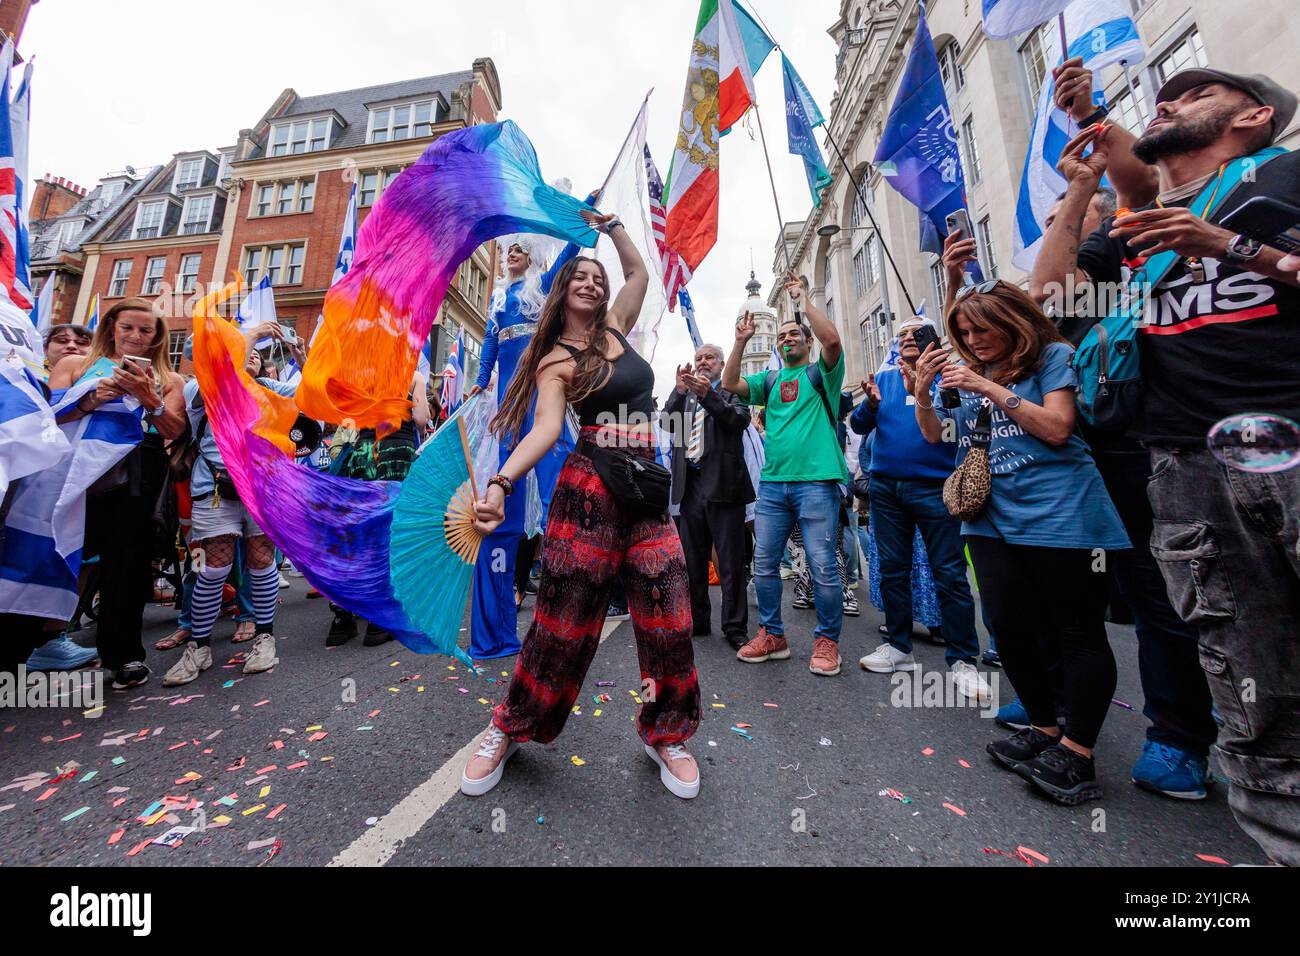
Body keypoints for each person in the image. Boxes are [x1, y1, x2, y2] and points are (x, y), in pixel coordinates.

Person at [1033, 67, 1300, 860]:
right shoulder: (1137, 223)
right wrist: (1082, 192)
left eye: (1196, 93)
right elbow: (1050, 302)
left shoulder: (1284, 174)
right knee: (1254, 694)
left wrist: (1229, 245)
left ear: (1254, 116)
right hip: (1185, 463)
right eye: (1167, 95)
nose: (1172, 100)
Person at [460, 210, 701, 800]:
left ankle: (667, 732)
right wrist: (501, 482)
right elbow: (543, 430)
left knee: (667, 606)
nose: (592, 283)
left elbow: (640, 270)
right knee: (562, 621)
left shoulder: (619, 325)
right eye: (579, 278)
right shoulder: (554, 360)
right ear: (563, 290)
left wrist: (614, 227)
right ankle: (510, 726)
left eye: (598, 277)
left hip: (644, 483)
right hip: (588, 489)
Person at [913, 282, 1129, 805]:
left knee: (1076, 631)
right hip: (990, 519)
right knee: (1007, 628)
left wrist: (990, 390)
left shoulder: (1052, 356)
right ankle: (1043, 726)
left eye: (981, 329)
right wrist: (922, 394)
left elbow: (1058, 427)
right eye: (963, 332)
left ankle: (1079, 750)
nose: (972, 339)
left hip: (1062, 514)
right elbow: (938, 438)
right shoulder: (967, 373)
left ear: (1010, 319)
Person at [47, 298, 188, 689]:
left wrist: (149, 397)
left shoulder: (170, 379)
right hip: (74, 468)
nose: (136, 337)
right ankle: (32, 643)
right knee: (55, 551)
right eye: (128, 327)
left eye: (146, 331)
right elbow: (47, 415)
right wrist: (93, 398)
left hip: (137, 473)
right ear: (112, 326)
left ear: (157, 336)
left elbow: (175, 430)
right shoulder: (74, 366)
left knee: (125, 564)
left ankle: (123, 656)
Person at [852, 316, 990, 703]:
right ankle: (898, 648)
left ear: (933, 337)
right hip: (886, 488)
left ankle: (963, 659)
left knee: (948, 572)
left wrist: (927, 390)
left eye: (915, 333)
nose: (906, 339)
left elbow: (952, 431)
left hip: (935, 487)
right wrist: (870, 403)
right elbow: (861, 425)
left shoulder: (951, 376)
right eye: (901, 335)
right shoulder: (887, 377)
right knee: (893, 570)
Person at [160, 324, 298, 686]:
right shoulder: (200, 388)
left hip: (262, 488)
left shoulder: (269, 388)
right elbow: (224, 375)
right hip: (216, 488)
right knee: (213, 570)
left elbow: (312, 393)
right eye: (238, 349)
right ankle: (199, 646)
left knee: (262, 562)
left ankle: (264, 638)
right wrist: (249, 335)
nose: (250, 353)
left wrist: (299, 351)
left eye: (253, 351)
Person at [723, 275, 847, 677]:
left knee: (823, 564)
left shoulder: (821, 374)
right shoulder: (771, 380)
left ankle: (827, 640)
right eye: (781, 336)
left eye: (794, 334)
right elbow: (729, 383)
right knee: (764, 564)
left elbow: (833, 342)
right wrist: (741, 341)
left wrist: (803, 301)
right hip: (774, 485)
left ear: (806, 342)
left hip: (817, 482)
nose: (786, 339)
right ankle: (773, 634)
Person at [465, 234, 582, 659]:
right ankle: (496, 632)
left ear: (531, 256)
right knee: (502, 509)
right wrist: (479, 384)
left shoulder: (542, 286)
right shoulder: (498, 299)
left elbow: (571, 251)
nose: (510, 254)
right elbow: (490, 350)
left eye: (518, 249)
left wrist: (584, 210)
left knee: (558, 501)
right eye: (507, 250)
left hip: (542, 403)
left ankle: (567, 617)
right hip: (508, 409)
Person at [327, 367, 429, 647]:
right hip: (397, 454)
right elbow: (420, 419)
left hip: (363, 453)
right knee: (391, 535)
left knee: (361, 535)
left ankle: (342, 617)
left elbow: (347, 417)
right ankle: (378, 622)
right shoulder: (412, 374)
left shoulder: (363, 373)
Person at [663, 342, 754, 650]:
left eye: (709, 358)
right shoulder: (686, 396)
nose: (703, 362)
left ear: (721, 363)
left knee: (730, 562)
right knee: (692, 560)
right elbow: (665, 422)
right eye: (699, 358)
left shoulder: (732, 389)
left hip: (725, 485)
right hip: (691, 485)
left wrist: (708, 395)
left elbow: (737, 420)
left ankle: (734, 626)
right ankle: (698, 620)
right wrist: (678, 391)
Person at [23, 324, 101, 673]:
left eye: (82, 342)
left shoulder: (98, 382)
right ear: (45, 348)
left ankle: (53, 638)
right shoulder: (25, 380)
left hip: (82, 484)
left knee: (75, 556)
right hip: (29, 485)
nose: (71, 346)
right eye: (62, 340)